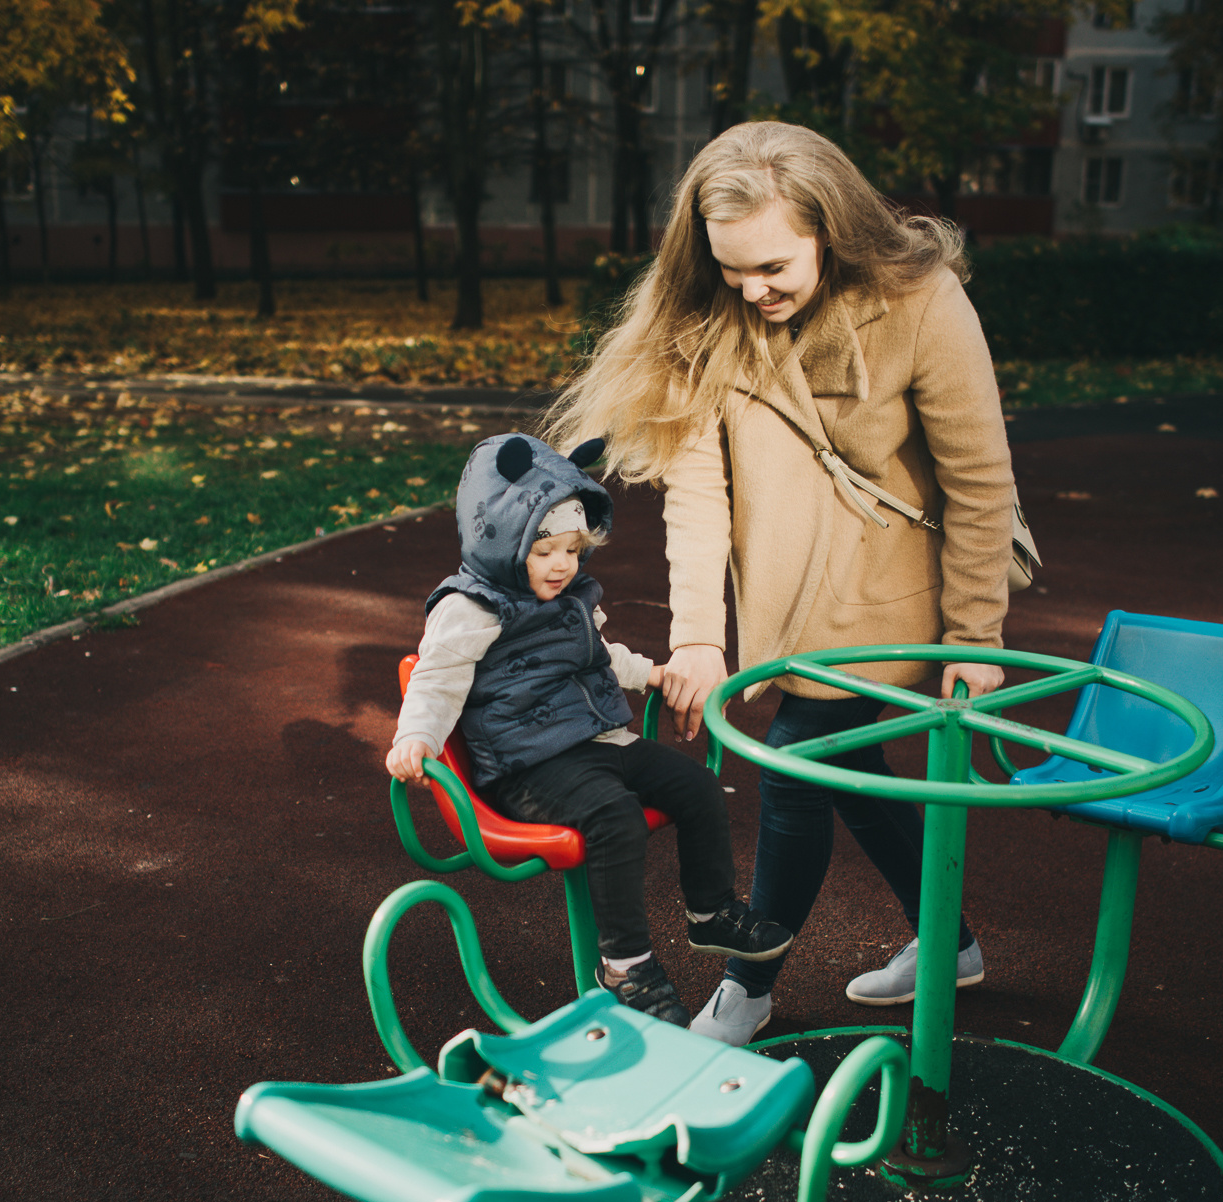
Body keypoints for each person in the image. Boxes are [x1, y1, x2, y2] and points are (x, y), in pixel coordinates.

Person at [544, 121, 1015, 1045]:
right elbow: (698, 494)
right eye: (731, 270)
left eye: (773, 269)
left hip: (887, 592)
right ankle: (950, 940)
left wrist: (976, 637)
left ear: (829, 230)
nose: (751, 290)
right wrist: (696, 638)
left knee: (797, 766)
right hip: (786, 596)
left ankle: (747, 990)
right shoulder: (709, 321)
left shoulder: (921, 301)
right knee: (847, 768)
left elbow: (979, 476)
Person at [386, 432, 793, 1026]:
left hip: (598, 740)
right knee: (615, 817)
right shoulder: (470, 607)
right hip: (530, 766)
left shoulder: (571, 597)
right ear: (501, 538)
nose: (562, 565)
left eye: (573, 550)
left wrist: (648, 673)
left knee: (695, 786)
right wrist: (413, 737)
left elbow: (598, 654)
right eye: (545, 549)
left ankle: (710, 914)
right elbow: (435, 678)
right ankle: (626, 963)